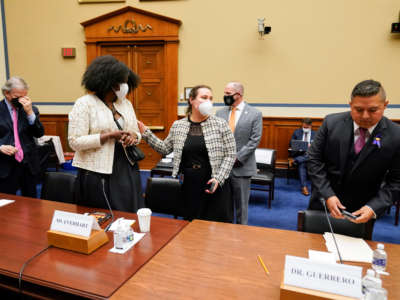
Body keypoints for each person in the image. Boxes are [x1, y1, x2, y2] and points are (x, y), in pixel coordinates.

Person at [138, 85, 236, 222]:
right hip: (190, 183)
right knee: (191, 226)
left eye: (211, 98)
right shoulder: (178, 125)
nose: (208, 102)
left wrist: (219, 179)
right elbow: (165, 148)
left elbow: (231, 154)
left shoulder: (220, 124)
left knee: (216, 227)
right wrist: (147, 134)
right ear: (191, 100)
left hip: (214, 182)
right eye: (204, 97)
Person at [308, 79, 400, 223]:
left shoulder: (396, 135)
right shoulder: (331, 123)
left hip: (362, 210)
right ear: (350, 105)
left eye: (372, 110)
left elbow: (396, 181)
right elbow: (314, 159)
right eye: (358, 110)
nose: (365, 116)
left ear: (385, 105)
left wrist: (373, 207)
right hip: (323, 202)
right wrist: (327, 194)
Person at [68, 55, 143, 212]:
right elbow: (74, 142)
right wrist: (107, 136)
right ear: (107, 82)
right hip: (96, 171)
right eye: (120, 82)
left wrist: (134, 137)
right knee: (101, 214)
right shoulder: (84, 104)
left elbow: (136, 131)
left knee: (129, 211)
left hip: (126, 165)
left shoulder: (126, 104)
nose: (124, 86)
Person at [216, 82, 262, 225]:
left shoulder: (255, 113)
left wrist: (237, 158)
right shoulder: (220, 112)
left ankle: (241, 233)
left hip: (241, 167)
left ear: (239, 95)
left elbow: (255, 140)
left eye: (228, 94)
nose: (225, 96)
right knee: (223, 204)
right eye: (225, 93)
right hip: (222, 168)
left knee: (241, 206)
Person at [0, 76, 44, 197]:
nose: (21, 100)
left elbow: (39, 133)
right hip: (5, 166)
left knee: (32, 202)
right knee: (7, 203)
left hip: (28, 164)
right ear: (6, 93)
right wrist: (0, 147)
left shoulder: (31, 109)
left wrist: (30, 113)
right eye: (17, 97)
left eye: (24, 96)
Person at [288, 118, 316, 196]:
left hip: (312, 155)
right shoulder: (297, 132)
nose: (305, 129)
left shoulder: (316, 134)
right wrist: (298, 145)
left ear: (311, 126)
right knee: (302, 163)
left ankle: (295, 160)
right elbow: (291, 144)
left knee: (306, 157)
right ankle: (304, 187)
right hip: (299, 153)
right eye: (304, 127)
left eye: (307, 127)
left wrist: (311, 146)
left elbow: (319, 147)